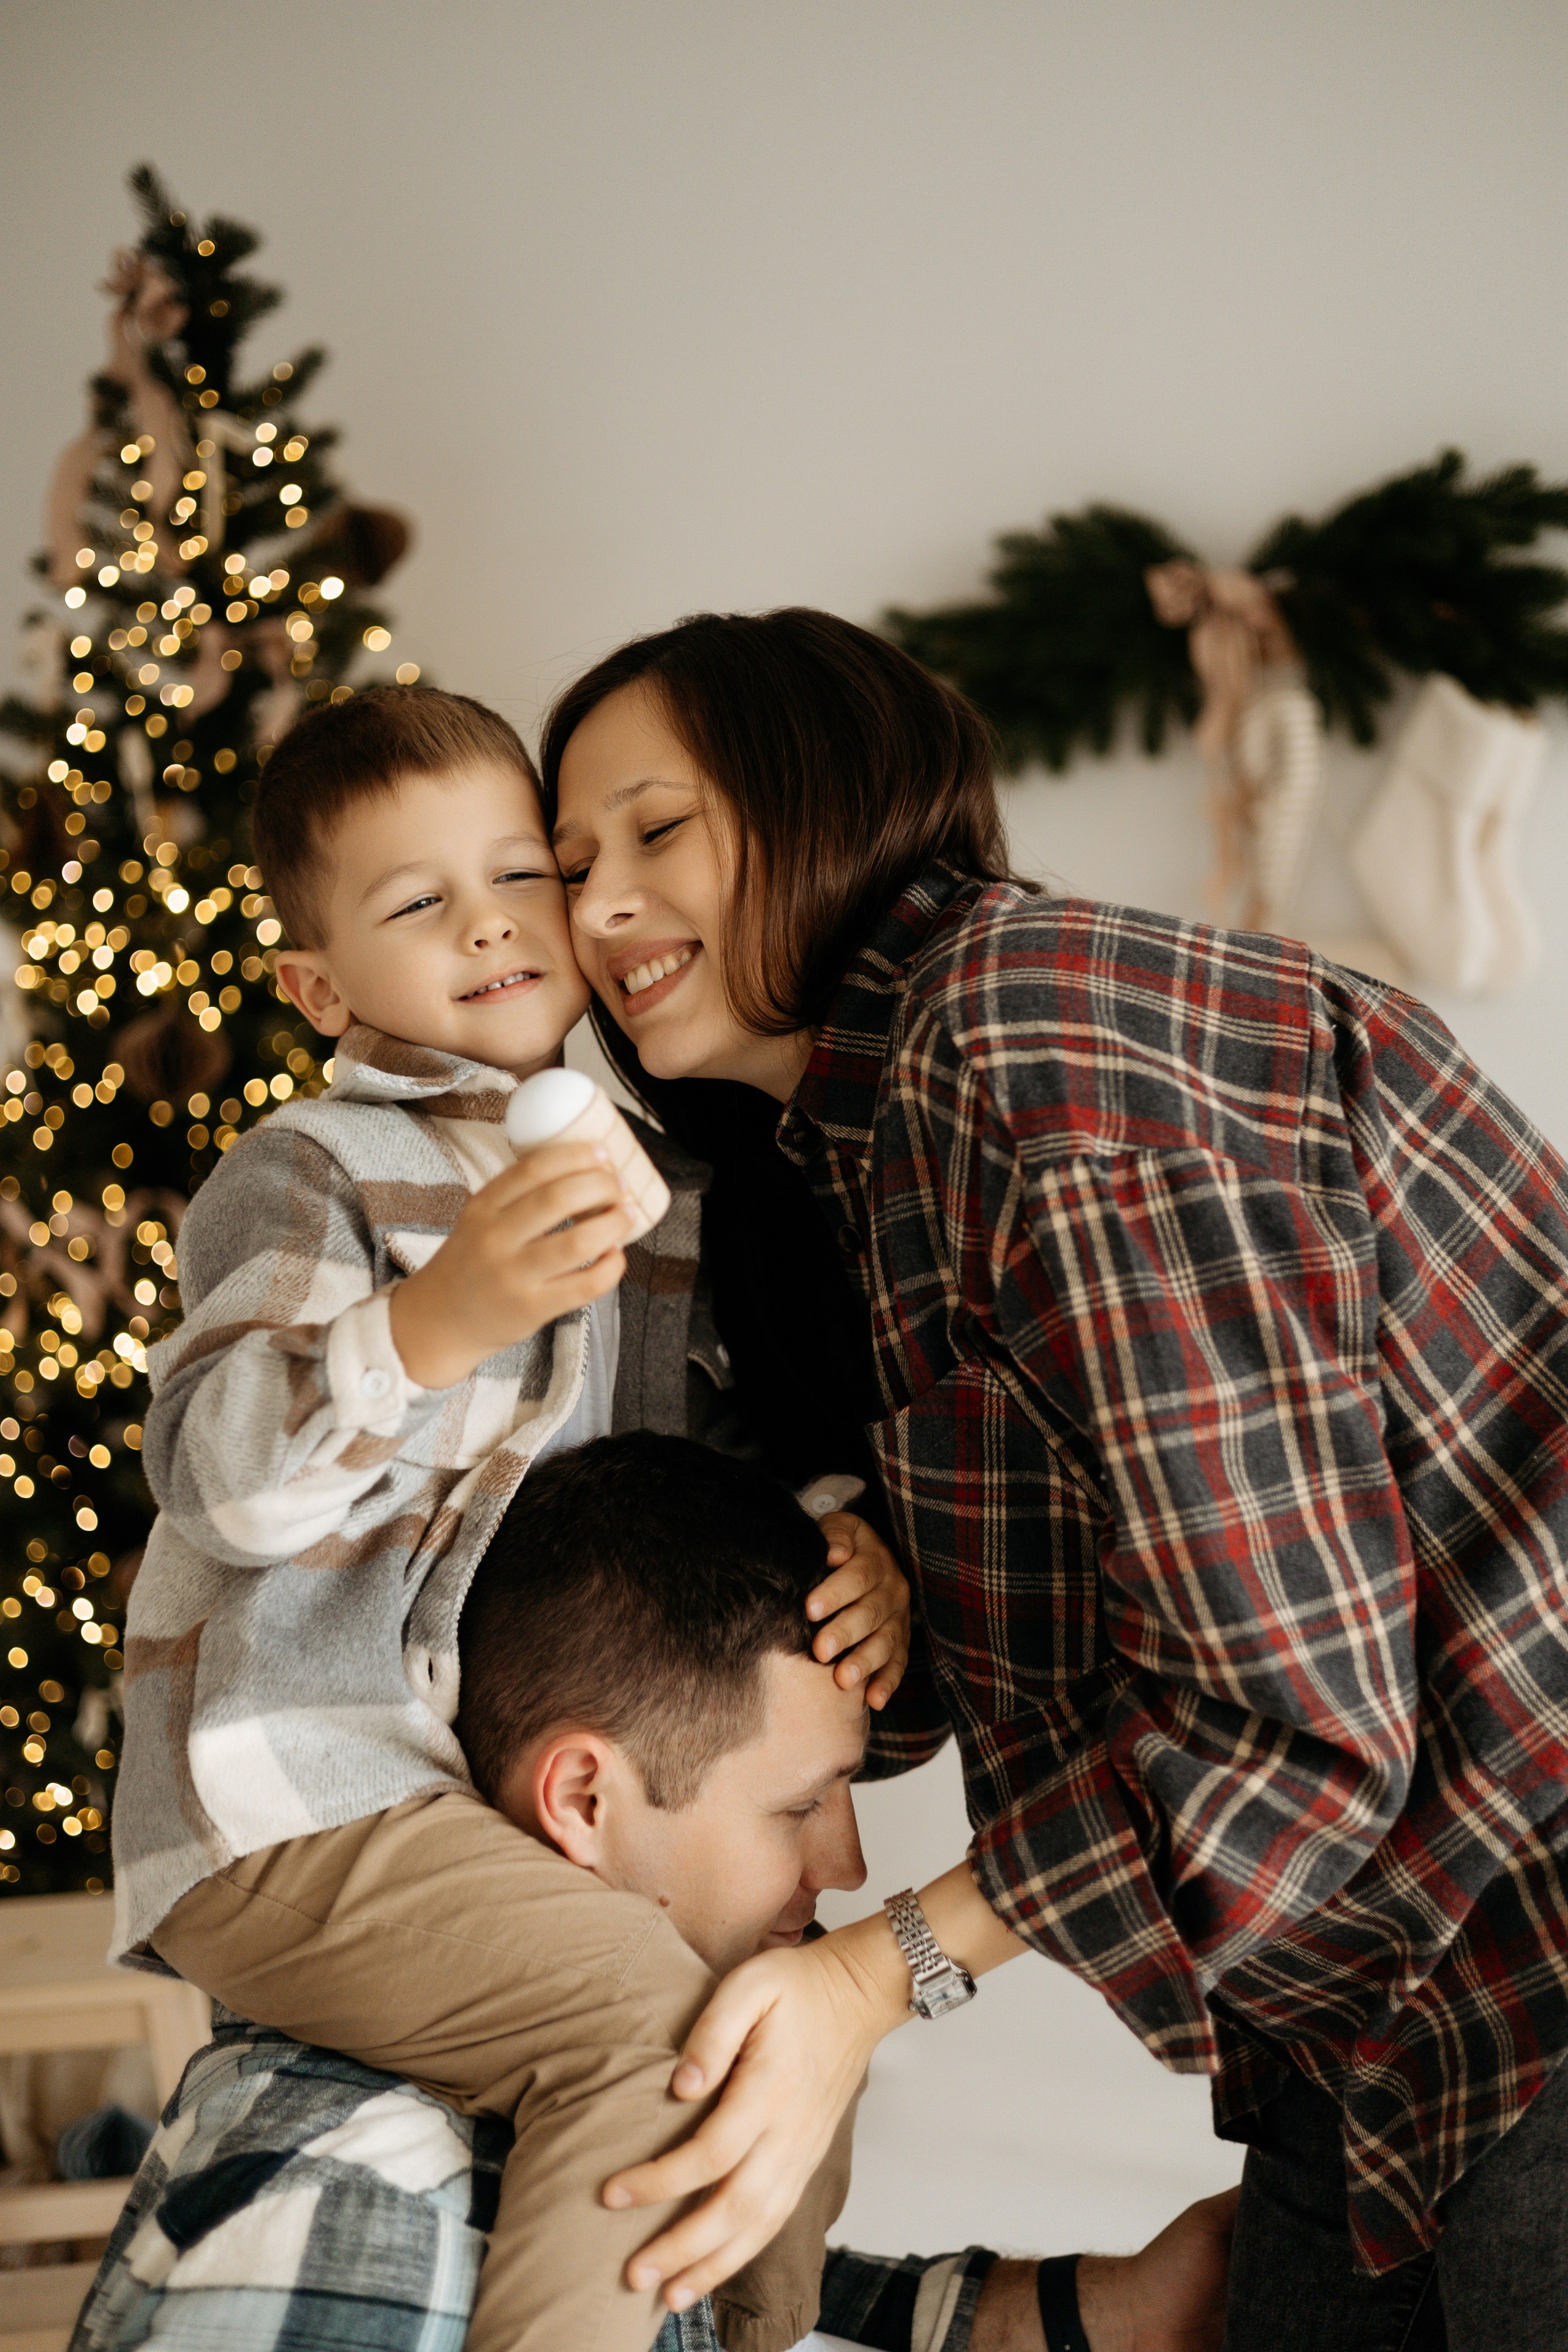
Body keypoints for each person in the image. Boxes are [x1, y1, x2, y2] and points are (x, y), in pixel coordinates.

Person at [540, 608, 1568, 2352]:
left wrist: (872, 1983)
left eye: (657, 831)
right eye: (570, 865)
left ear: (828, 802)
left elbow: (1294, 1726)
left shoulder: (1031, 1042)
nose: (600, 911)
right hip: (1378, 2038)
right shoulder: (844, 1172)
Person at [114, 684, 908, 2352]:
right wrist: (431, 1322)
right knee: (653, 2026)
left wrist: (843, 1536)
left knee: (779, 2032)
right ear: (317, 984)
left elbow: (698, 1469)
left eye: (518, 879)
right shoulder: (309, 1170)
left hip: (477, 1800)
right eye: (420, 905)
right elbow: (219, 1476)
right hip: (296, 1793)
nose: (488, 927)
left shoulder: (648, 1177)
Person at [78, 1431, 1236, 2352]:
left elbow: (675, 2275)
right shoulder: (353, 2206)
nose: (849, 1868)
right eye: (798, 1806)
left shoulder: (536, 2117)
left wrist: (1091, 2318)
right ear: (584, 1800)